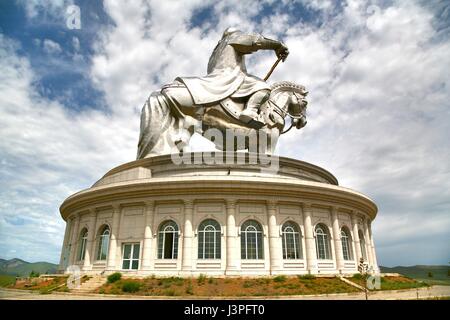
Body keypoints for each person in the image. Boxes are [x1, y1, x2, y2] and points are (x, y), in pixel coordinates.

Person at [162, 27, 289, 127]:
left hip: (215, 75)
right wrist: (277, 45)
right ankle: (250, 111)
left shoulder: (217, 49)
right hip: (228, 77)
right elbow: (255, 41)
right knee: (263, 87)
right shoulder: (233, 38)